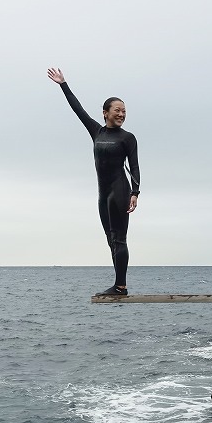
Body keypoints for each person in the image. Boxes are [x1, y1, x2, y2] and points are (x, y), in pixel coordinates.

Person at [47, 67, 140, 296]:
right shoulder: (96, 132)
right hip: (102, 194)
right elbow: (77, 109)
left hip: (119, 191)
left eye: (124, 111)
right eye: (117, 110)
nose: (121, 114)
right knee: (110, 239)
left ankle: (121, 286)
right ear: (105, 113)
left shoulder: (128, 138)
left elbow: (135, 167)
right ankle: (117, 284)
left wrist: (135, 192)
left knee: (120, 239)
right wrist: (63, 84)